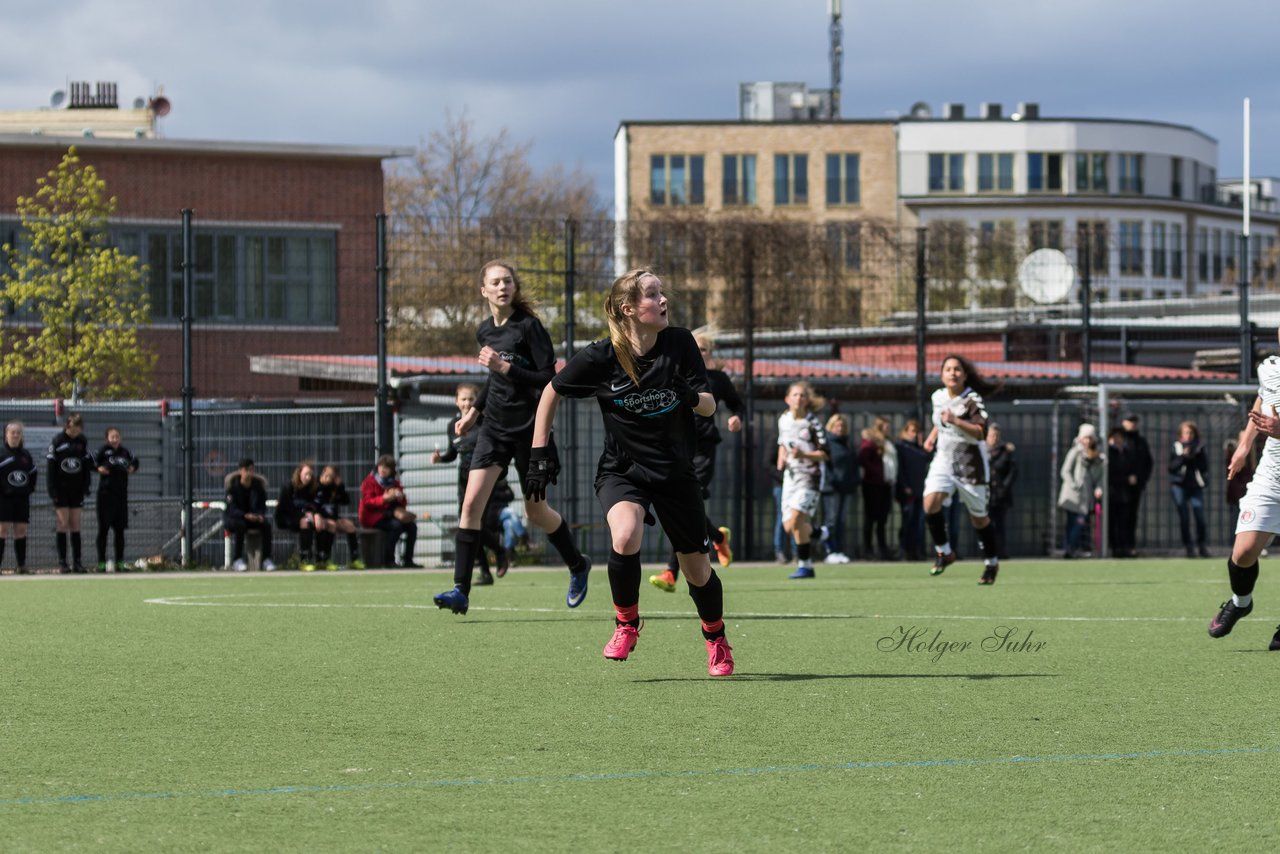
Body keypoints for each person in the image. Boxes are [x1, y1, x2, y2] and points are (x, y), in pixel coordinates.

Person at [528, 267, 734, 676]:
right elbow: (551, 389)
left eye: (661, 293)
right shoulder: (603, 356)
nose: (663, 301)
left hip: (675, 472)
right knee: (624, 533)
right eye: (653, 295)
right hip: (622, 469)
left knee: (696, 568)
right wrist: (538, 452)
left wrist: (690, 396)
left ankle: (716, 639)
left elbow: (710, 404)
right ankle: (626, 625)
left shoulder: (680, 343)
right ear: (629, 309)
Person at [432, 260, 592, 616]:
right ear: (484, 291)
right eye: (495, 282)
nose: (503, 286)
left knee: (536, 512)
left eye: (508, 281)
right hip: (494, 429)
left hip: (530, 429)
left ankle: (577, 564)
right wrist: (475, 412)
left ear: (514, 288)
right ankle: (461, 589)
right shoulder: (484, 331)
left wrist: (504, 366)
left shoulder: (529, 328)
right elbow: (495, 382)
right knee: (471, 505)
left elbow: (549, 380)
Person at [650, 329, 744, 592]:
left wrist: (737, 417)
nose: (697, 352)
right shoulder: (673, 373)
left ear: (710, 353)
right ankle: (718, 536)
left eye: (702, 349)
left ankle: (671, 571)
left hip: (703, 448)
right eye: (694, 347)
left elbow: (737, 404)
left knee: (685, 505)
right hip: (677, 447)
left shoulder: (717, 379)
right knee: (683, 507)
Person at [1208, 342, 1280, 649]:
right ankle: (1241, 601)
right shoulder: (1270, 367)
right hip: (1272, 476)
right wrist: (1244, 446)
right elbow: (1264, 397)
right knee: (1244, 552)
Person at [921, 354, 1002, 584]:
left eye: (957, 369)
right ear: (941, 374)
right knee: (930, 502)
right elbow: (940, 421)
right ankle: (945, 552)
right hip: (944, 460)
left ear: (965, 375)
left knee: (979, 518)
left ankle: (991, 563)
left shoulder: (971, 400)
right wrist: (931, 437)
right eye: (948, 369)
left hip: (970, 464)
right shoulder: (937, 396)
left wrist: (956, 421)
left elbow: (981, 432)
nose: (953, 373)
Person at [432, 382, 497, 584]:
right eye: (463, 399)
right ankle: (486, 570)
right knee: (467, 525)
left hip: (483, 479)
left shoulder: (485, 422)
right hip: (463, 481)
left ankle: (499, 552)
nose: (467, 403)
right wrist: (440, 458)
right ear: (456, 401)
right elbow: (453, 454)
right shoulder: (453, 425)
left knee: (475, 525)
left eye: (471, 399)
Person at [777, 381, 829, 579]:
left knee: (796, 520)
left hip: (810, 477)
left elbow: (825, 453)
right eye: (795, 395)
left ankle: (805, 566)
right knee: (789, 526)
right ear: (787, 399)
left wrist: (804, 456)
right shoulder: (783, 419)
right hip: (790, 478)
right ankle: (820, 534)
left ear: (807, 400)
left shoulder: (813, 423)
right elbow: (782, 442)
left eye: (802, 396)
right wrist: (781, 459)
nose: (799, 399)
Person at [46, 413, 94, 573]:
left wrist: (86, 485)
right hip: (61, 489)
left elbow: (87, 465)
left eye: (78, 430)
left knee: (75, 524)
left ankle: (77, 562)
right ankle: (62, 562)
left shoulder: (82, 442)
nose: (75, 433)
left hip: (77, 489)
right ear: (67, 426)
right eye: (73, 429)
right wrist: (52, 490)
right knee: (62, 523)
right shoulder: (57, 441)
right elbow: (50, 468)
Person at [358, 454, 420, 568]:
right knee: (396, 526)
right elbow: (367, 502)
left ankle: (408, 560)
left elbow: (403, 503)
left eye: (386, 467)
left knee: (412, 527)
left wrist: (399, 497)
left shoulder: (395, 483)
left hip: (388, 515)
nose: (383, 469)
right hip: (372, 517)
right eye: (381, 466)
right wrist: (384, 499)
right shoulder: (369, 482)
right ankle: (389, 560)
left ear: (392, 470)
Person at [94, 426, 138, 572]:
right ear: (107, 438)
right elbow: (92, 462)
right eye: (112, 437)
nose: (115, 439)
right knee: (103, 530)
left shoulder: (125, 452)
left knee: (119, 531)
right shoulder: (103, 451)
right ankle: (101, 563)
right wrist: (98, 468)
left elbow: (135, 462)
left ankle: (119, 563)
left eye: (117, 436)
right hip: (105, 496)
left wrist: (133, 468)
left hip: (121, 496)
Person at [1058, 425, 1103, 559]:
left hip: (1085, 496)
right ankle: (1069, 548)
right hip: (1072, 495)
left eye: (1090, 438)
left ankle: (1070, 548)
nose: (1087, 441)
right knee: (1074, 523)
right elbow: (1065, 471)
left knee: (1078, 523)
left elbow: (1098, 477)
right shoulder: (1075, 452)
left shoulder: (1097, 456)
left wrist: (1098, 488)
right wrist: (1074, 485)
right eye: (1085, 437)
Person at [224, 457, 275, 572]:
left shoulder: (258, 487)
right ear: (241, 471)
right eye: (246, 470)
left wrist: (259, 515)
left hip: (253, 519)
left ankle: (266, 560)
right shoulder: (233, 487)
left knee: (266, 526)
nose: (249, 473)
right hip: (236, 519)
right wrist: (245, 515)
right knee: (240, 525)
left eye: (251, 470)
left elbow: (262, 505)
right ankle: (237, 559)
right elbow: (231, 509)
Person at [0, 421, 38, 574]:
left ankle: (21, 565)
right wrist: (4, 489)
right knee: (2, 530)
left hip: (22, 499)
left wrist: (29, 489)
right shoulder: (1, 454)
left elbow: (33, 473)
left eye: (18, 433)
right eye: (12, 432)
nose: (15, 435)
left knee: (21, 530)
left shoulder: (26, 455)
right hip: (4, 499)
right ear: (6, 435)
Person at [819, 412, 857, 563]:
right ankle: (830, 550)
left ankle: (839, 550)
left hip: (845, 488)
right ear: (831, 426)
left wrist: (853, 481)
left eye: (842, 426)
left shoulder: (846, 443)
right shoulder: (827, 442)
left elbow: (853, 465)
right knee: (831, 521)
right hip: (831, 488)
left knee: (841, 521)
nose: (840, 428)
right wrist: (833, 480)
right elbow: (825, 465)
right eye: (837, 425)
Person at [1169, 420, 1210, 558]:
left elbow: (1204, 467)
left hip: (1195, 486)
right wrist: (1183, 457)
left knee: (1199, 515)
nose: (1189, 435)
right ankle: (1188, 546)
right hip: (1179, 486)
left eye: (1191, 432)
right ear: (1181, 434)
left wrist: (1193, 456)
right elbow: (1172, 467)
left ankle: (1202, 545)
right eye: (1186, 432)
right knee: (1184, 517)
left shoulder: (1199, 447)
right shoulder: (1176, 447)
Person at [1117, 411, 1154, 557]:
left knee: (1132, 516)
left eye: (1134, 420)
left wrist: (1141, 479)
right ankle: (1117, 546)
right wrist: (1125, 477)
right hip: (1118, 486)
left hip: (1135, 486)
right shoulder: (1118, 439)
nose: (1132, 423)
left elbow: (1148, 462)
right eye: (1129, 420)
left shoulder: (1141, 441)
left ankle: (1129, 546)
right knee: (1119, 517)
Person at [275, 460, 322, 571]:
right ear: (299, 473)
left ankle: (322, 559)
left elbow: (315, 505)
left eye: (310, 474)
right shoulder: (288, 487)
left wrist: (316, 514)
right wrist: (304, 513)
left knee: (321, 523)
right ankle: (304, 559)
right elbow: (286, 508)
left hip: (303, 518)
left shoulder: (313, 488)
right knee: (305, 522)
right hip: (285, 518)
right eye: (306, 474)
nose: (308, 477)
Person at [314, 465, 363, 569]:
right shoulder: (316, 486)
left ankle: (355, 559)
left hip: (334, 518)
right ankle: (324, 559)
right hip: (320, 518)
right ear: (323, 473)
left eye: (332, 477)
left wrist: (340, 487)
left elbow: (346, 501)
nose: (329, 479)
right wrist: (316, 515)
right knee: (331, 525)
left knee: (350, 525)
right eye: (328, 476)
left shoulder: (335, 487)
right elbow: (312, 505)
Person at [858, 419, 893, 561]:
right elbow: (863, 460)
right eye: (886, 427)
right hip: (873, 485)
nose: (888, 430)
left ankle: (882, 549)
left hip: (886, 485)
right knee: (871, 518)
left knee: (882, 519)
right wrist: (878, 473)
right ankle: (868, 549)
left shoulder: (887, 443)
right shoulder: (870, 443)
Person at [894, 420, 929, 561]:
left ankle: (916, 551)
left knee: (918, 523)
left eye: (917, 431)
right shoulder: (901, 447)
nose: (915, 434)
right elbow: (900, 469)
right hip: (908, 490)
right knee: (907, 521)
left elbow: (927, 459)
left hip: (921, 489)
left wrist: (922, 446)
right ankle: (903, 549)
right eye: (912, 431)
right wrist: (905, 486)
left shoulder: (920, 449)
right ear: (906, 432)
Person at [986, 421, 1017, 560]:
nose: (994, 438)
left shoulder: (1006, 452)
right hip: (986, 494)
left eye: (997, 435)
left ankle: (1001, 552)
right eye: (992, 435)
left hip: (1001, 495)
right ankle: (988, 552)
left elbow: (1013, 471)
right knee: (986, 525)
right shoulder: (981, 450)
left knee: (1000, 526)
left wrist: (1004, 487)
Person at [1106, 426, 1135, 557]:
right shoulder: (1108, 453)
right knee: (1112, 521)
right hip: (1112, 491)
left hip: (1126, 492)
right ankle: (1114, 547)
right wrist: (1125, 479)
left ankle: (1125, 546)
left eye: (1120, 437)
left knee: (1124, 521)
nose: (1118, 439)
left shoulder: (1127, 452)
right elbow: (1109, 474)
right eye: (1115, 436)